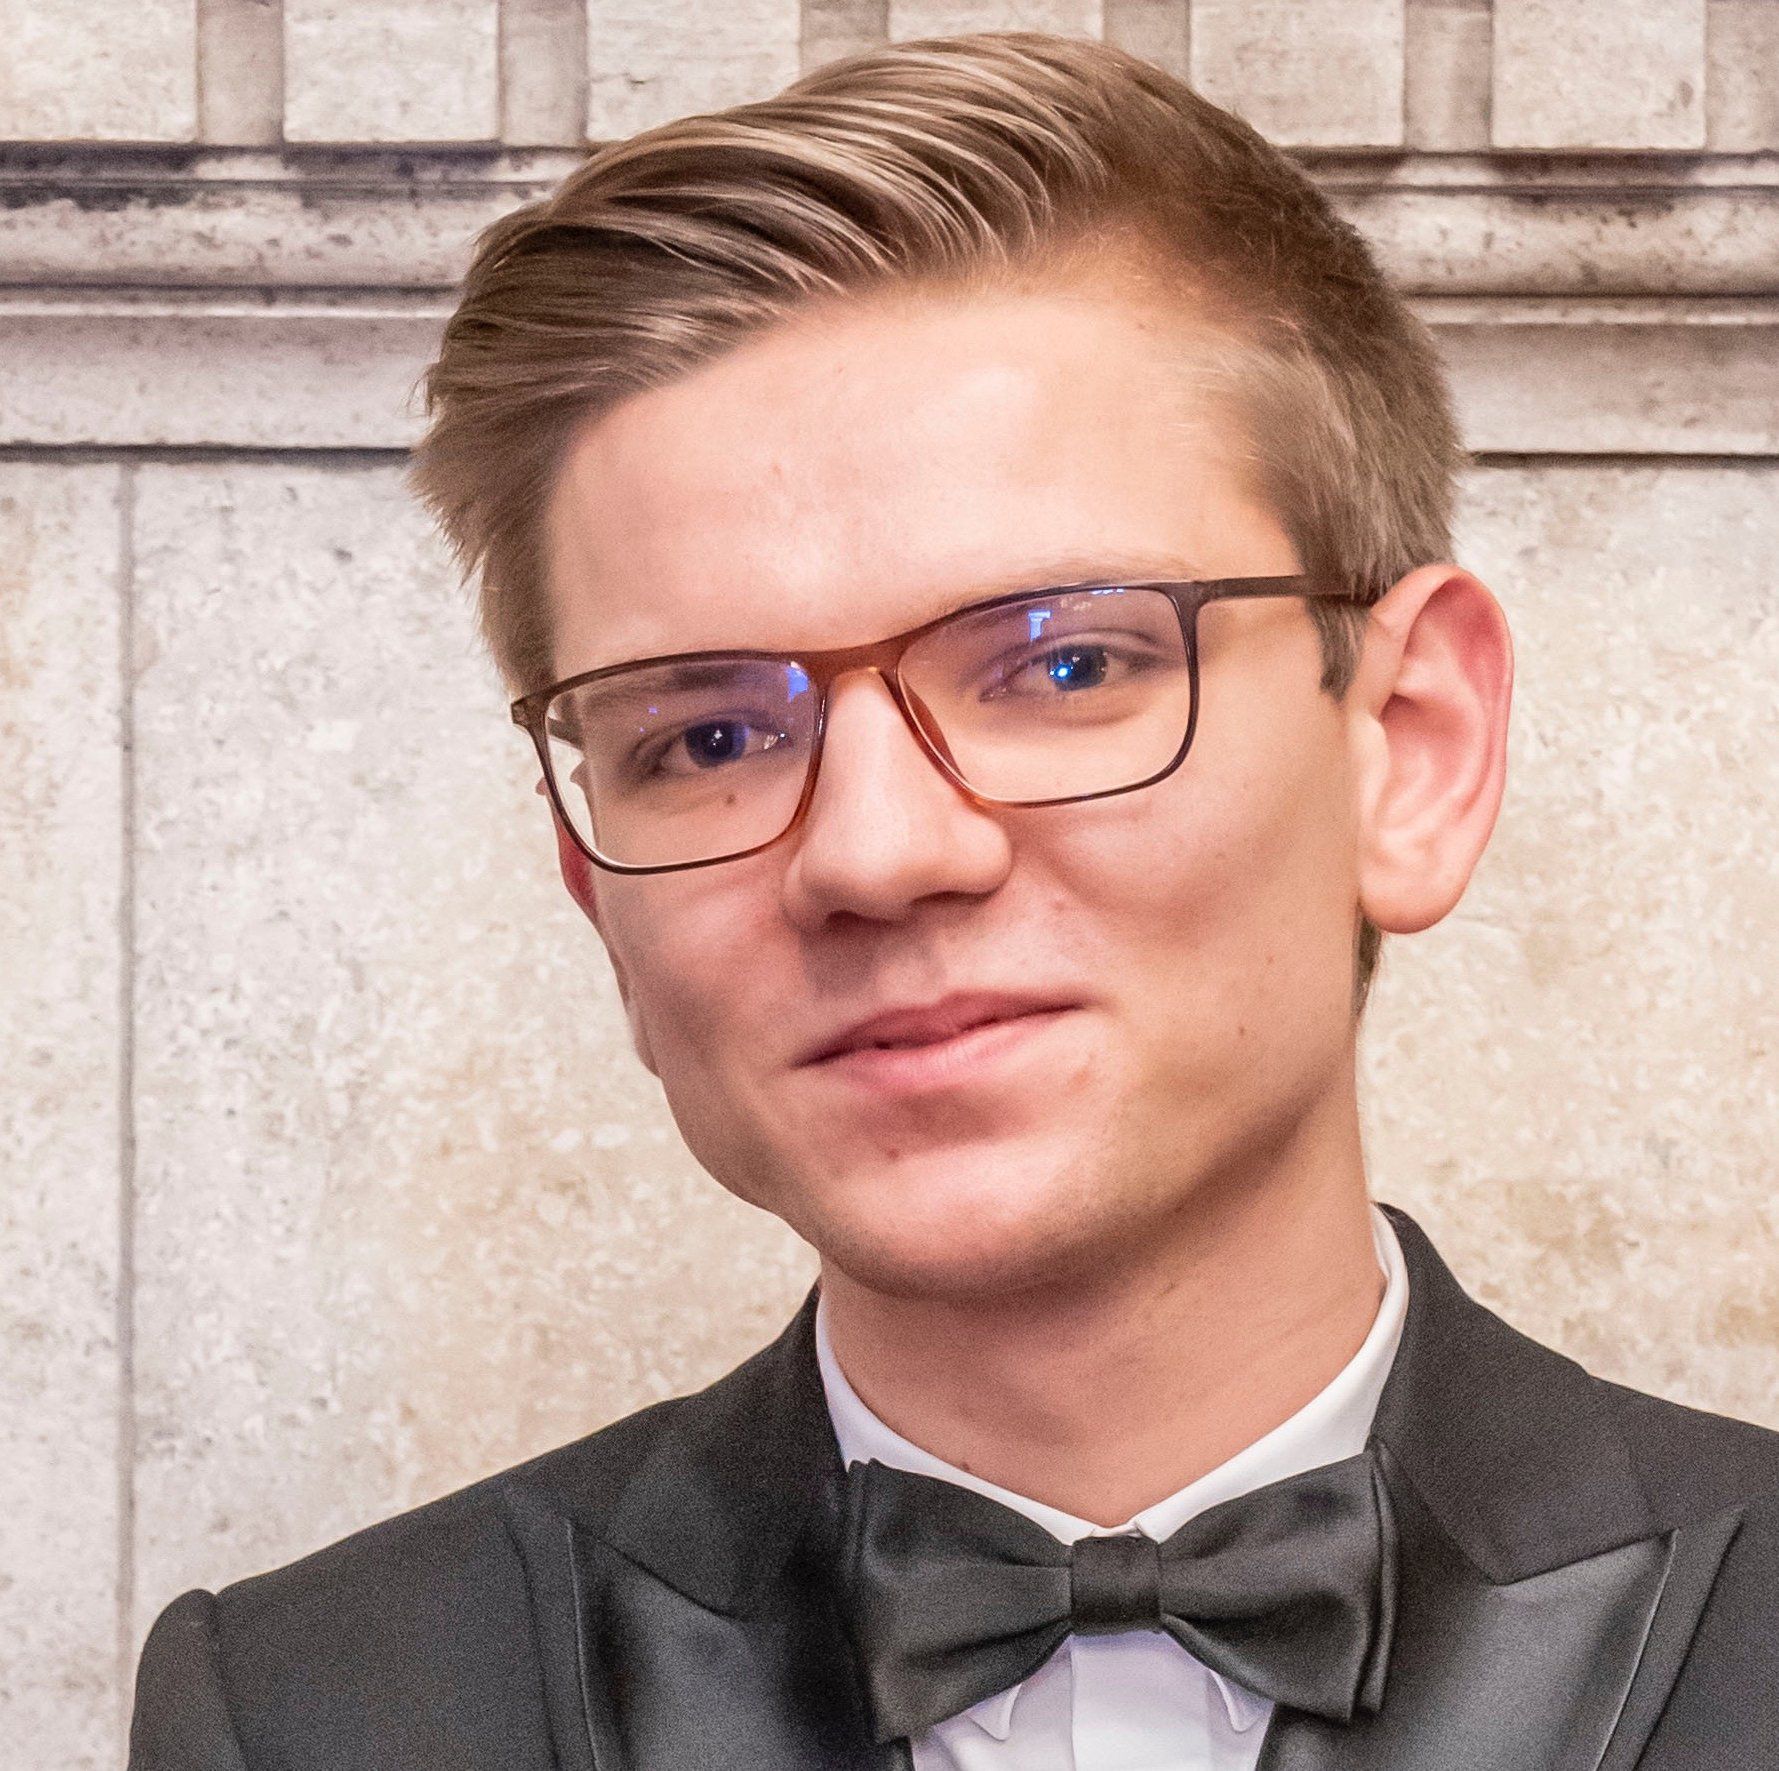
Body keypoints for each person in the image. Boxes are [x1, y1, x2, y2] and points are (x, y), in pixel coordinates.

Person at [127, 30, 1778, 1770]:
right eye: (705, 737)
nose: (874, 852)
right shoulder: (305, 1717)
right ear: (597, 896)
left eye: (1066, 664)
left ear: (1409, 749)